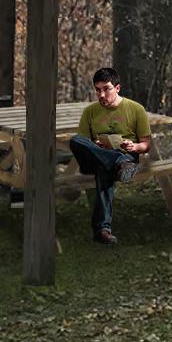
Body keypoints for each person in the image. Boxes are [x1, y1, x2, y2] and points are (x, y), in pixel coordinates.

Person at [69, 68, 152, 246]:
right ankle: (116, 161)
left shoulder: (136, 109)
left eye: (106, 89)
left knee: (104, 169)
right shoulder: (90, 111)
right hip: (111, 161)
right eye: (98, 90)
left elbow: (146, 145)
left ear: (117, 88)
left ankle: (102, 230)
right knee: (76, 140)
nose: (102, 94)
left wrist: (134, 146)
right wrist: (97, 144)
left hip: (124, 156)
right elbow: (84, 142)